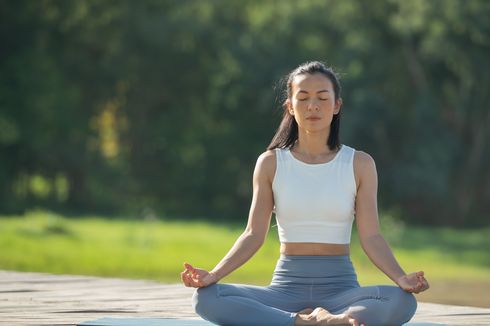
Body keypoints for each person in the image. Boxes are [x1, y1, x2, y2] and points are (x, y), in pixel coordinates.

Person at [181, 61, 429, 326]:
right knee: (207, 298)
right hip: (284, 290)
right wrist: (213, 276)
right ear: (290, 106)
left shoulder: (360, 164)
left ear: (336, 106)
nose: (313, 106)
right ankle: (306, 322)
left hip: (342, 290)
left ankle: (323, 318)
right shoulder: (270, 163)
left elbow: (372, 236)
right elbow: (253, 234)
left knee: (402, 301)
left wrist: (401, 278)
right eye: (303, 98)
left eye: (322, 98)